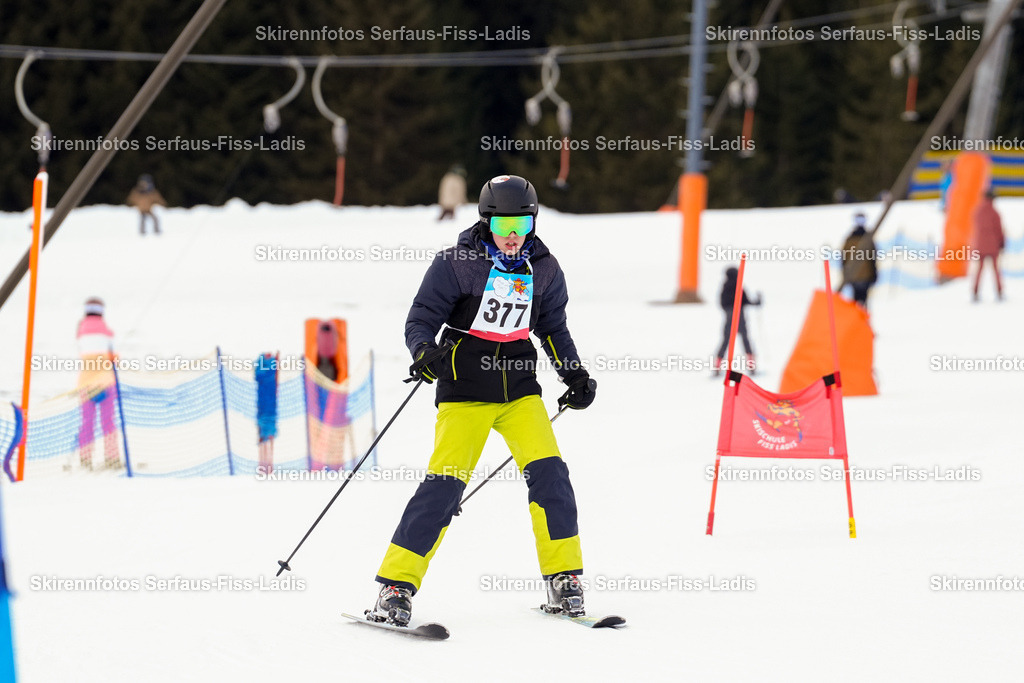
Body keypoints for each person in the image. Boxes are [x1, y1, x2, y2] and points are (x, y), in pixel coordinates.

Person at [368, 174, 597, 626]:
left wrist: (575, 374)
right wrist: (424, 352)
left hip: (519, 393)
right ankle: (395, 588)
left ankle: (564, 579)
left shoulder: (545, 268)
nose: (513, 235)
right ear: (486, 222)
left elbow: (552, 329)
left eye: (522, 225)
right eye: (503, 224)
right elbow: (421, 319)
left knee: (552, 476)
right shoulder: (457, 263)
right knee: (444, 487)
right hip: (465, 392)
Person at [76, 297, 120, 469]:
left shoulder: (80, 332)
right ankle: (112, 459)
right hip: (106, 383)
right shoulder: (108, 333)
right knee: (108, 422)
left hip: (85, 384)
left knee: (87, 423)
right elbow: (114, 358)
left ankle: (85, 459)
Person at [713, 266, 761, 377]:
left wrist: (728, 311)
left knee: (725, 342)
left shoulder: (724, 287)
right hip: (740, 318)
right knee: (746, 341)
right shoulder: (738, 286)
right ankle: (751, 367)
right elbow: (747, 301)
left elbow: (722, 303)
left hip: (729, 319)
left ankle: (717, 367)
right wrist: (758, 301)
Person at [970, 189, 1006, 302]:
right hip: (993, 246)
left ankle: (975, 291)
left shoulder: (977, 211)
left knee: (979, 269)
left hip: (980, 245)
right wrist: (1002, 243)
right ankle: (999, 291)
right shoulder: (995, 213)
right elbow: (999, 230)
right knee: (996, 269)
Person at [839, 212, 878, 308]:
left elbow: (844, 259)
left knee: (857, 302)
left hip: (855, 276)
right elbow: (873, 258)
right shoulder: (867, 239)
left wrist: (846, 274)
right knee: (862, 302)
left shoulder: (850, 239)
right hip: (865, 277)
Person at [255, 352, 279, 473]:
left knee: (269, 435)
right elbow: (258, 375)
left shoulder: (272, 362)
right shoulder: (261, 362)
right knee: (263, 436)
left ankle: (269, 465)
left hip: (270, 407)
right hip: (263, 406)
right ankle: (264, 465)